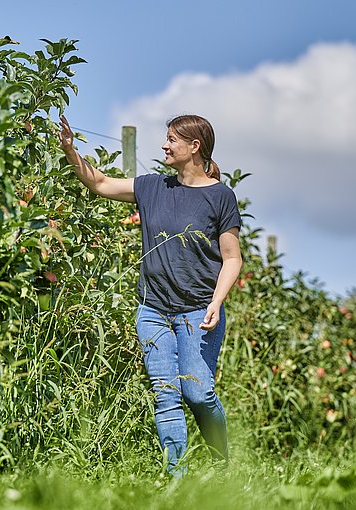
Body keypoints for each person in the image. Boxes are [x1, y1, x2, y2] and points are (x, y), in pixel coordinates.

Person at [58, 114, 243, 476]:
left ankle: (222, 464)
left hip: (198, 312)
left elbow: (232, 258)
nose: (164, 145)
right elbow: (99, 183)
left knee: (198, 393)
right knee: (165, 395)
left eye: (172, 139)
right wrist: (70, 149)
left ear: (195, 146)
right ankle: (178, 478)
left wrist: (216, 302)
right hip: (153, 310)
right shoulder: (152, 187)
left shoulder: (220, 196)